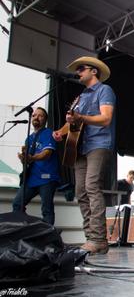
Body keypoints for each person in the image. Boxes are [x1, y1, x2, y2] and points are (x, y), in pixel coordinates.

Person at [53, 56, 116, 255]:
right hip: (80, 148)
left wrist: (80, 118)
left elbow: (105, 119)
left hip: (99, 143)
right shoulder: (80, 97)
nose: (78, 72)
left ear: (93, 71)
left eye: (81, 68)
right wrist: (60, 132)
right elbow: (74, 122)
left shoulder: (105, 90)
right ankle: (91, 238)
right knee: (81, 191)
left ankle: (98, 239)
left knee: (91, 186)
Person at [12, 107, 60, 225]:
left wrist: (32, 158)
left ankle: (47, 237)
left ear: (45, 119)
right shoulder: (29, 138)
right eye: (34, 115)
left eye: (40, 115)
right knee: (17, 204)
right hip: (32, 178)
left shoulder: (48, 133)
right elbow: (28, 160)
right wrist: (24, 159)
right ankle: (25, 231)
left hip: (47, 178)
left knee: (46, 209)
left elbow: (47, 153)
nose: (36, 117)